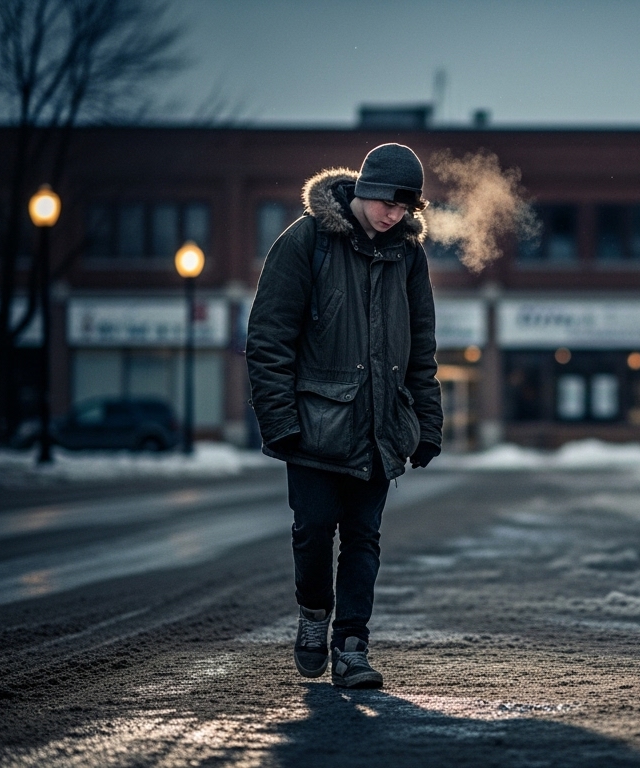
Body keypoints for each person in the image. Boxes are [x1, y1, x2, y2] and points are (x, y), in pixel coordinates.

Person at [247, 143, 443, 688]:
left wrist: (427, 423)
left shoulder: (408, 254)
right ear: (365, 189)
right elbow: (268, 338)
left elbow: (421, 346)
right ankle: (314, 617)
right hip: (314, 428)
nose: (395, 215)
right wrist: (279, 422)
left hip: (381, 429)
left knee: (363, 540)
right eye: (389, 204)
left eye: (406, 209)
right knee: (312, 533)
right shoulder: (306, 242)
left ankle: (352, 648)